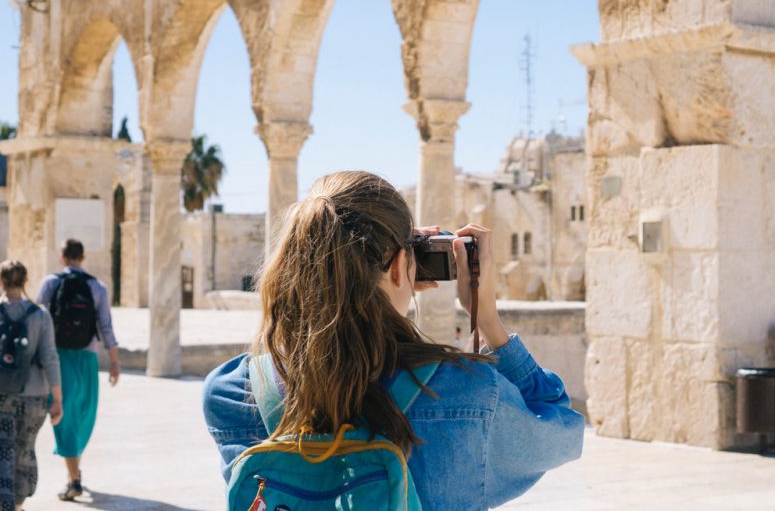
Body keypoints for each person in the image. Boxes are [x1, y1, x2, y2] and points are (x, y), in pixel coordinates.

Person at [203, 171, 584, 510]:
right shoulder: (466, 392)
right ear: (402, 264)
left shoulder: (231, 393)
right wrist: (488, 322)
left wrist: (394, 269)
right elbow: (562, 430)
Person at [36, 239, 120, 502]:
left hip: (58, 356)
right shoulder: (97, 286)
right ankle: (74, 477)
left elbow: (38, 319)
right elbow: (106, 326)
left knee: (65, 414)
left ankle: (74, 476)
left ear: (62, 257)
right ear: (83, 258)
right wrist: (115, 361)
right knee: (83, 414)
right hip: (87, 356)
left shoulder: (50, 283)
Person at [0, 260, 63, 511]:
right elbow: (50, 357)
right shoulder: (40, 315)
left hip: (2, 394)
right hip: (35, 395)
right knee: (25, 448)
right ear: (26, 282)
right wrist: (57, 398)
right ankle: (16, 505)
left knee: (3, 449)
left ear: (1, 282)